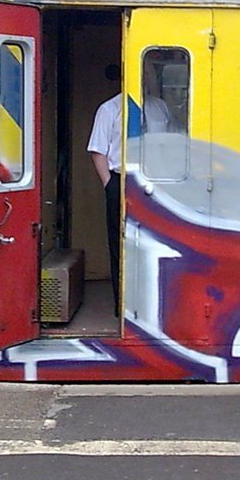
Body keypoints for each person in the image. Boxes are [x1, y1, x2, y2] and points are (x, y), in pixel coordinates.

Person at [87, 64, 172, 316]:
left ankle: (151, 309)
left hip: (158, 183)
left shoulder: (160, 107)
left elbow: (171, 142)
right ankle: (122, 307)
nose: (145, 77)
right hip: (121, 181)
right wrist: (110, 185)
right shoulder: (110, 109)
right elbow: (97, 151)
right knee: (120, 244)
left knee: (155, 243)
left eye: (148, 73)